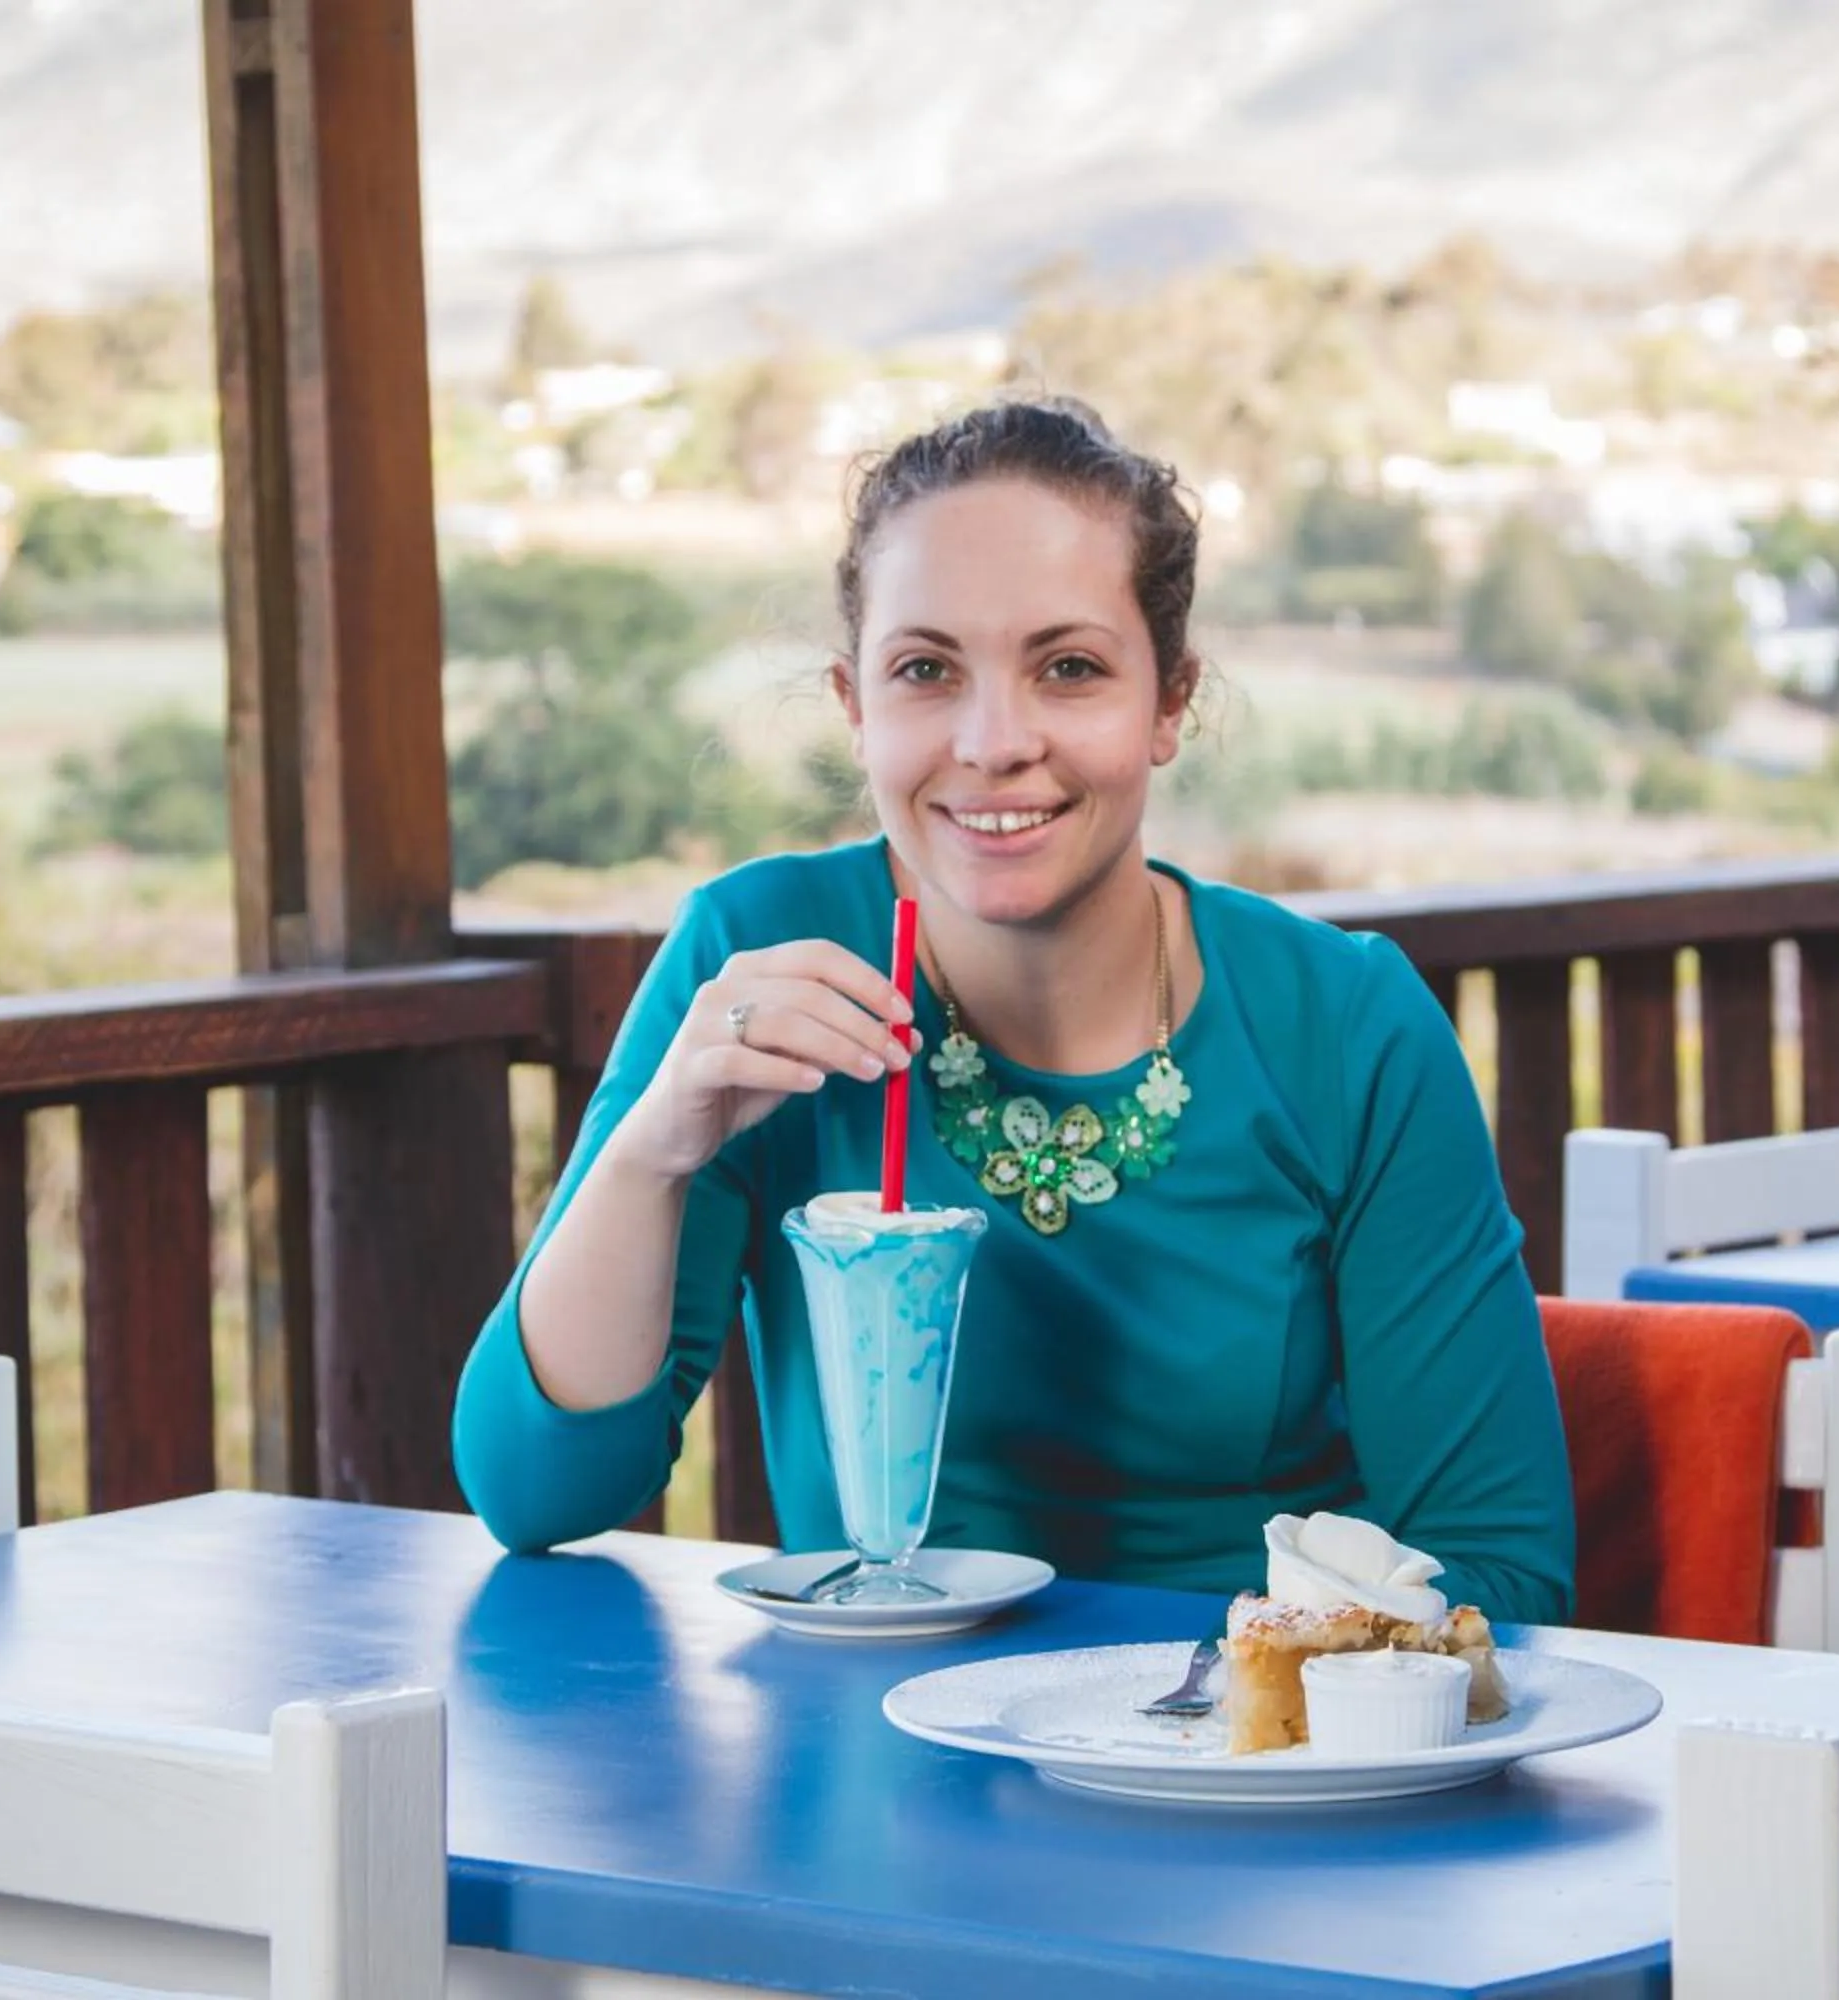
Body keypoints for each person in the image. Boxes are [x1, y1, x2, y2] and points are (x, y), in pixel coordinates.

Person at [451, 398, 1574, 1623]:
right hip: (870, 1754)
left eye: (1071, 668)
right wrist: (653, 1151)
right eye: (926, 670)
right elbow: (538, 1493)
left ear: (1169, 704)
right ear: (855, 704)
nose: (994, 741)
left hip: (1247, 1764)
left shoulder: (1346, 1026)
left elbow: (1502, 1572)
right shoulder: (755, 963)